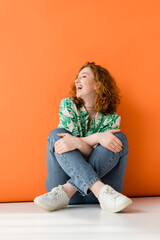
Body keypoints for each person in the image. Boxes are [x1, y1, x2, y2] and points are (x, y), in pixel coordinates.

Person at [34, 62, 132, 213]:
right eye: (77, 77)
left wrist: (78, 142)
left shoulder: (112, 118)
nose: (76, 80)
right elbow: (67, 145)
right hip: (81, 187)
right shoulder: (68, 105)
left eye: (83, 76)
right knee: (56, 134)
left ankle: (68, 190)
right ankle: (99, 189)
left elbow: (95, 154)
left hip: (89, 194)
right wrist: (97, 138)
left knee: (119, 138)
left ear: (98, 85)